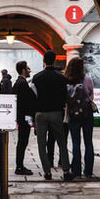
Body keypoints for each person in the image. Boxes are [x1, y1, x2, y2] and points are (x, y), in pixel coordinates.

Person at [31, 50, 73, 181]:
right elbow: (67, 95)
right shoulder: (62, 78)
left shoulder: (36, 77)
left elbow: (34, 96)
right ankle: (66, 170)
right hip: (56, 112)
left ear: (44, 61)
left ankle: (47, 172)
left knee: (41, 143)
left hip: (41, 113)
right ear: (54, 60)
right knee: (61, 142)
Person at [64, 57, 95, 179]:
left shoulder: (66, 80)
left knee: (75, 142)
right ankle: (88, 171)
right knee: (88, 142)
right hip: (87, 113)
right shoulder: (87, 79)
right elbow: (91, 94)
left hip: (73, 114)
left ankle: (76, 170)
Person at [11, 60, 36, 175]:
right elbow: (26, 101)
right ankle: (19, 166)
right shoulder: (22, 83)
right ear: (23, 70)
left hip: (21, 116)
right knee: (22, 142)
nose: (30, 70)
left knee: (22, 141)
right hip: (23, 117)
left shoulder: (19, 82)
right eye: (28, 68)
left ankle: (20, 165)